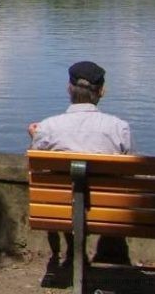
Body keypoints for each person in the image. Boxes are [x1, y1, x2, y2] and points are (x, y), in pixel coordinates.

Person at [28, 60, 132, 266]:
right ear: (101, 91)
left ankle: (73, 252)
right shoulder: (119, 128)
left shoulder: (48, 127)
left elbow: (36, 165)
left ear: (69, 88)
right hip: (109, 211)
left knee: (64, 190)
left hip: (58, 210)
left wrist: (34, 137)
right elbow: (130, 172)